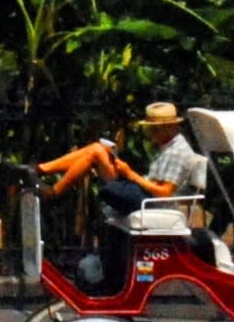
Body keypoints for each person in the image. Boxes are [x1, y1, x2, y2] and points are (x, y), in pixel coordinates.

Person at [40, 102, 210, 283]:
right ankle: (41, 170)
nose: (151, 134)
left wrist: (130, 174)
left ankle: (52, 192)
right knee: (97, 149)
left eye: (155, 129)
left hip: (151, 202)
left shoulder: (177, 152)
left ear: (169, 127)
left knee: (97, 152)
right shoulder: (168, 147)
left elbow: (164, 192)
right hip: (143, 194)